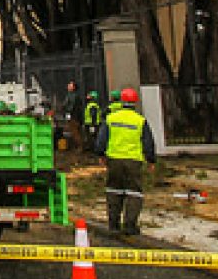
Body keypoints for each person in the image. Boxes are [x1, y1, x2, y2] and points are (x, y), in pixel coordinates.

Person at [96, 87, 156, 235]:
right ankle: (130, 225)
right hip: (133, 161)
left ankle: (113, 224)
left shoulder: (111, 118)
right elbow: (148, 142)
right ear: (135, 102)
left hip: (114, 160)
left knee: (113, 190)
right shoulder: (140, 120)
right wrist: (151, 160)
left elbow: (101, 139)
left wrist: (101, 155)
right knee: (134, 192)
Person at [63, 80, 82, 149]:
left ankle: (80, 147)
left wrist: (67, 112)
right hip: (74, 116)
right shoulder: (72, 95)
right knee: (75, 132)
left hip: (73, 117)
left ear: (73, 87)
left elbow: (71, 107)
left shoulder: (72, 96)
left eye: (70, 85)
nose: (68, 86)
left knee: (75, 132)